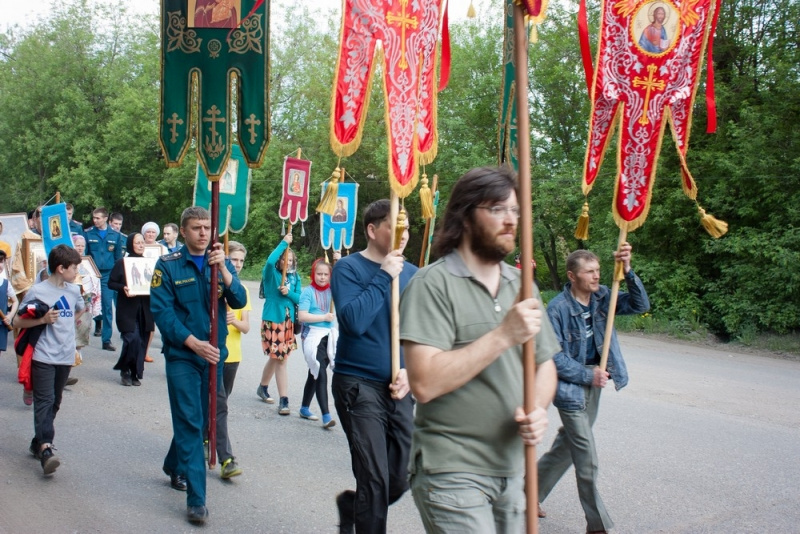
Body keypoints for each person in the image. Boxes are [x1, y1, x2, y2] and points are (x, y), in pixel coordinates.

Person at [398, 166, 560, 533]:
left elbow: (545, 363)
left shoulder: (523, 286)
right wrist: (503, 334)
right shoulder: (431, 284)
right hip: (451, 470)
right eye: (498, 210)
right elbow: (424, 382)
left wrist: (537, 408)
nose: (510, 221)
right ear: (466, 216)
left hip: (513, 467)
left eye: (515, 211)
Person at [537, 246, 650, 534]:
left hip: (595, 383)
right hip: (570, 387)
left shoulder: (603, 298)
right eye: (589, 271)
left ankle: (527, 495)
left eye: (598, 270)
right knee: (586, 455)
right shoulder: (558, 309)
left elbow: (640, 306)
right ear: (572, 275)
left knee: (567, 447)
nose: (596, 275)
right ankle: (597, 523)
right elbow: (554, 357)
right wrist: (588, 374)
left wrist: (627, 271)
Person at [150, 206, 247, 525]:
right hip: (183, 355)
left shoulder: (219, 262)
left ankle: (173, 464)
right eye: (196, 228)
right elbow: (163, 313)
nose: (203, 233)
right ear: (183, 231)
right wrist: (192, 342)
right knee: (191, 422)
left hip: (214, 356)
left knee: (205, 421)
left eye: (207, 227)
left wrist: (227, 271)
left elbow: (240, 300)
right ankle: (197, 499)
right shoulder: (168, 265)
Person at [331, 199, 417, 533]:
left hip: (398, 386)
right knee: (374, 478)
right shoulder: (349, 269)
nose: (404, 233)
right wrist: (383, 276)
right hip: (358, 385)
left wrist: (409, 370)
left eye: (407, 227)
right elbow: (353, 322)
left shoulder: (412, 274)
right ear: (372, 230)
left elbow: (416, 331)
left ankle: (353, 506)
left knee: (403, 473)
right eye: (396, 226)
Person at [16, 244, 84, 475]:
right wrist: (43, 320)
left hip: (65, 357)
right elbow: (17, 322)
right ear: (61, 268)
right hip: (43, 356)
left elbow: (79, 310)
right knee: (44, 401)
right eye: (74, 267)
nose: (76, 272)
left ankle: (38, 442)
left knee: (55, 402)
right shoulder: (37, 291)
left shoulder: (73, 291)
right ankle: (46, 449)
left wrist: (72, 326)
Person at [211, 240, 250, 480]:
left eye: (240, 261)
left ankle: (211, 438)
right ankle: (224, 454)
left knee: (220, 405)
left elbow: (245, 325)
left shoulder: (241, 289)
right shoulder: (214, 281)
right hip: (214, 352)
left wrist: (233, 320)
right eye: (233, 259)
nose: (237, 264)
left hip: (232, 356)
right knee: (218, 404)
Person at [256, 235, 301, 415]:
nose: (287, 262)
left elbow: (300, 299)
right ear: (280, 260)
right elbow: (269, 262)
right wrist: (284, 243)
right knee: (281, 359)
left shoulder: (295, 277)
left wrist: (289, 292)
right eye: (284, 258)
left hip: (289, 322)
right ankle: (284, 400)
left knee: (277, 357)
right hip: (273, 320)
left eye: (290, 260)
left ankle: (262, 387)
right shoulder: (271, 275)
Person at [108, 233, 154, 387]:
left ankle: (135, 372)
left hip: (145, 308)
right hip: (128, 309)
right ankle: (125, 370)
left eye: (142, 242)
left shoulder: (149, 263)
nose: (141, 245)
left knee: (142, 341)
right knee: (131, 339)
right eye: (137, 243)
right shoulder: (123, 262)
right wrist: (124, 288)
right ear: (130, 245)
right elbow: (111, 283)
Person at [297, 258, 337, 428]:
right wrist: (323, 317)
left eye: (325, 274)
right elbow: (302, 316)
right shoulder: (307, 292)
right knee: (320, 371)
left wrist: (338, 261)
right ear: (313, 274)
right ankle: (326, 415)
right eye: (319, 274)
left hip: (329, 335)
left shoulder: (334, 290)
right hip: (312, 335)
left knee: (314, 371)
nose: (322, 277)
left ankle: (304, 407)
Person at [85, 207, 124, 351]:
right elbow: (85, 255)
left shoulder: (115, 235)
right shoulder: (88, 234)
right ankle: (81, 336)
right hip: (92, 274)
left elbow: (118, 258)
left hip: (107, 275)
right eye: (94, 218)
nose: (95, 220)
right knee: (86, 305)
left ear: (105, 219)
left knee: (107, 306)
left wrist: (117, 276)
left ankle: (106, 339)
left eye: (98, 218)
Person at [0, 241, 20, 358]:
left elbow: (15, 301)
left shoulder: (6, 284)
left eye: (1, 261)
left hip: (2, 323)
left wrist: (10, 316)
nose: (0, 265)